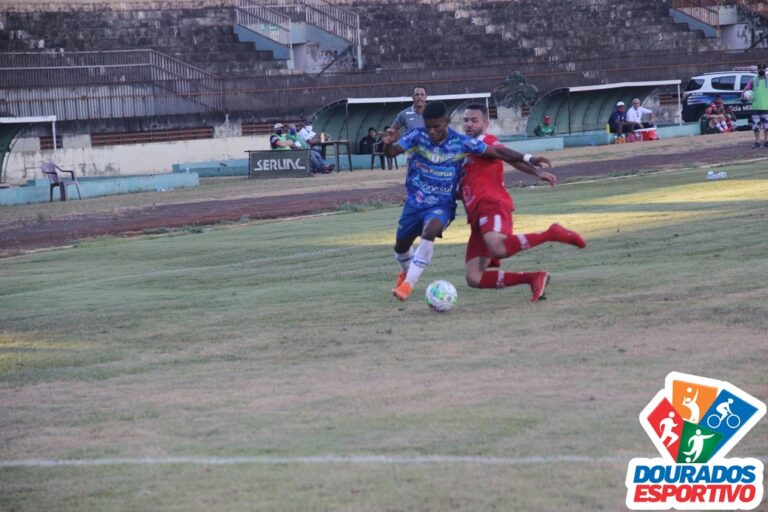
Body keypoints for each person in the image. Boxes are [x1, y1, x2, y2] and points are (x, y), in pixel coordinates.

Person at [381, 101, 559, 301]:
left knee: (433, 232)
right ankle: (406, 272)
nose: (431, 131)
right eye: (466, 120)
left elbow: (501, 153)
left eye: (436, 126)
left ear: (447, 122)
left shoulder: (466, 143)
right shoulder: (418, 136)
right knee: (403, 248)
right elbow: (392, 152)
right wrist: (387, 143)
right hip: (417, 204)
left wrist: (531, 160)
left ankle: (407, 286)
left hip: (455, 206)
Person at [460, 103, 586, 302]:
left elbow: (507, 156)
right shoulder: (464, 149)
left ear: (485, 123)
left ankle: (550, 233)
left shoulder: (486, 140)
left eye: (474, 120)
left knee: (498, 248)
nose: (468, 124)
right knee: (474, 277)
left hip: (491, 203)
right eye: (465, 120)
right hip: (475, 213)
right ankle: (533, 278)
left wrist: (535, 169)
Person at [742, 63, 768, 148]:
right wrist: (743, 95)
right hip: (756, 107)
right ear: (757, 70)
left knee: (766, 126)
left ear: (765, 70)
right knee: (756, 126)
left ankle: (766, 141)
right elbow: (746, 88)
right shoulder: (753, 80)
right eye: (760, 69)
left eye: (763, 69)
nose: (761, 70)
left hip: (766, 107)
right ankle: (757, 142)